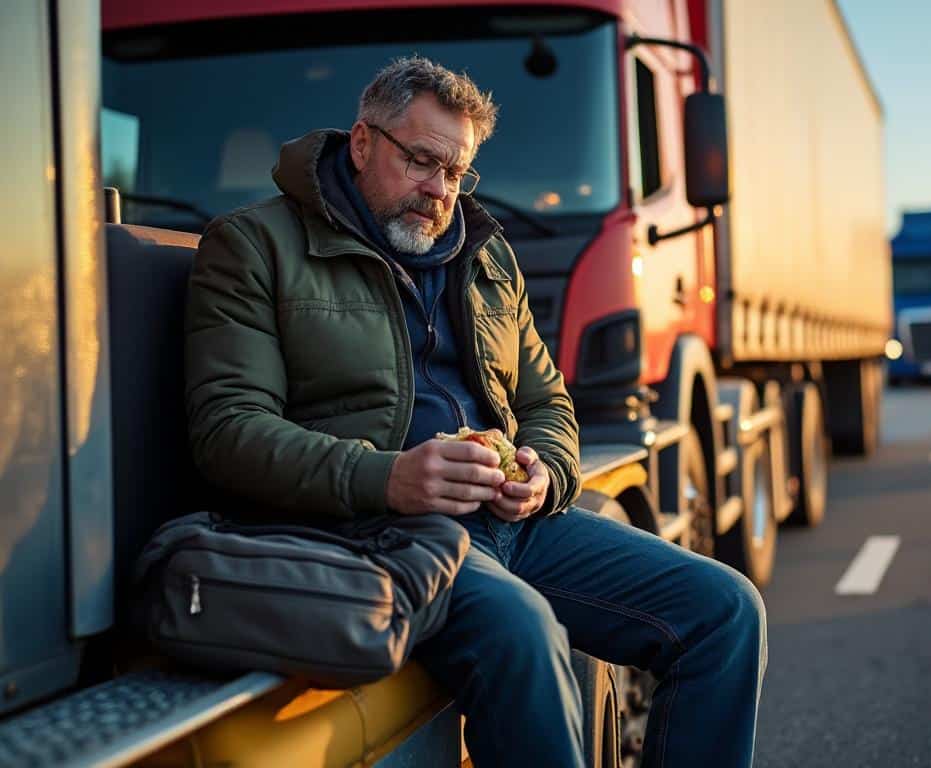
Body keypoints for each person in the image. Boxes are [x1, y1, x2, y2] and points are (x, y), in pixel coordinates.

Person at [183, 56, 767, 767]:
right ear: (363, 143)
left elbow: (547, 400)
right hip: (375, 533)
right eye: (423, 162)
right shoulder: (252, 245)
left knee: (727, 613)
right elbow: (228, 433)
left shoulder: (485, 254)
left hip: (510, 523)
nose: (439, 192)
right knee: (523, 632)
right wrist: (389, 478)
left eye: (456, 173)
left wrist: (545, 473)